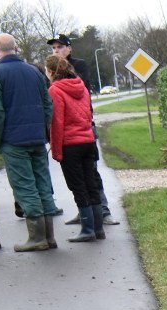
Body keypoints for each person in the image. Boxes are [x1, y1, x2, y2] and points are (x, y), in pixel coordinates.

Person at [0, 34, 57, 252]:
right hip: (37, 138)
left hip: (13, 140)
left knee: (25, 186)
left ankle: (37, 238)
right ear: (16, 48)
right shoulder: (34, 71)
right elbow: (48, 104)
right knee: (43, 183)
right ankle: (50, 236)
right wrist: (43, 130)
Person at [47, 34, 115, 228]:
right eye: (54, 48)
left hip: (79, 130)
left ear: (69, 48)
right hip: (80, 132)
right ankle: (89, 217)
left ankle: (101, 213)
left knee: (89, 176)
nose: (57, 50)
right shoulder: (55, 82)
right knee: (81, 180)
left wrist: (56, 147)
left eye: (60, 47)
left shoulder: (77, 70)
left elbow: (59, 117)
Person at [47, 56, 103, 242]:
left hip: (70, 144)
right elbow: (88, 113)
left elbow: (57, 122)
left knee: (78, 187)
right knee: (91, 185)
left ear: (52, 71)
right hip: (88, 141)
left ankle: (87, 229)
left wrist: (56, 151)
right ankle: (98, 228)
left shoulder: (55, 90)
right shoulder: (82, 86)